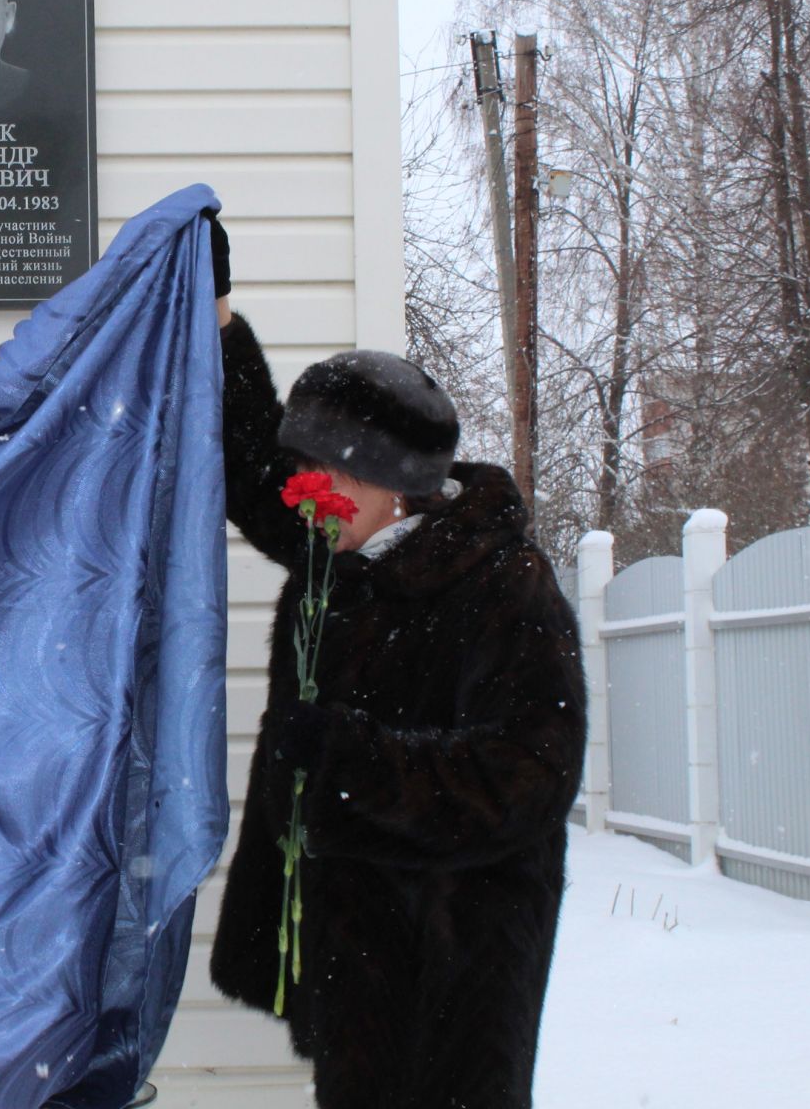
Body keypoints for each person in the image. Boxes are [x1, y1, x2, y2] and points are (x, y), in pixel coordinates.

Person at [202, 221, 587, 1108]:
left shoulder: (502, 585)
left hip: (454, 959)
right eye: (303, 470)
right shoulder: (345, 549)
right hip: (359, 950)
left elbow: (530, 774)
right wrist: (218, 320)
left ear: (395, 483)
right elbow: (251, 467)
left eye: (322, 472)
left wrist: (346, 756)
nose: (304, 494)